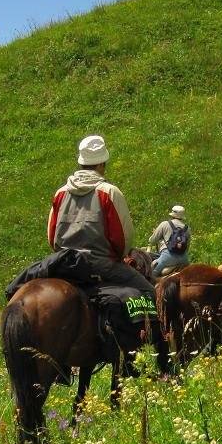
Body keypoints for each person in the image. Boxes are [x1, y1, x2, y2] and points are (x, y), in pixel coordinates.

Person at [47, 134, 161, 358]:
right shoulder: (109, 192)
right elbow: (123, 238)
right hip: (101, 265)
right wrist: (120, 256)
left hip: (64, 264)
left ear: (81, 162)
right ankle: (143, 352)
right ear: (101, 163)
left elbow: (52, 236)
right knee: (148, 291)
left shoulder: (61, 193)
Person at [149, 205, 190, 276]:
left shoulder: (165, 224)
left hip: (167, 257)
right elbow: (187, 247)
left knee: (151, 275)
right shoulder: (188, 228)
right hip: (184, 258)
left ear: (172, 215)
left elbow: (152, 240)